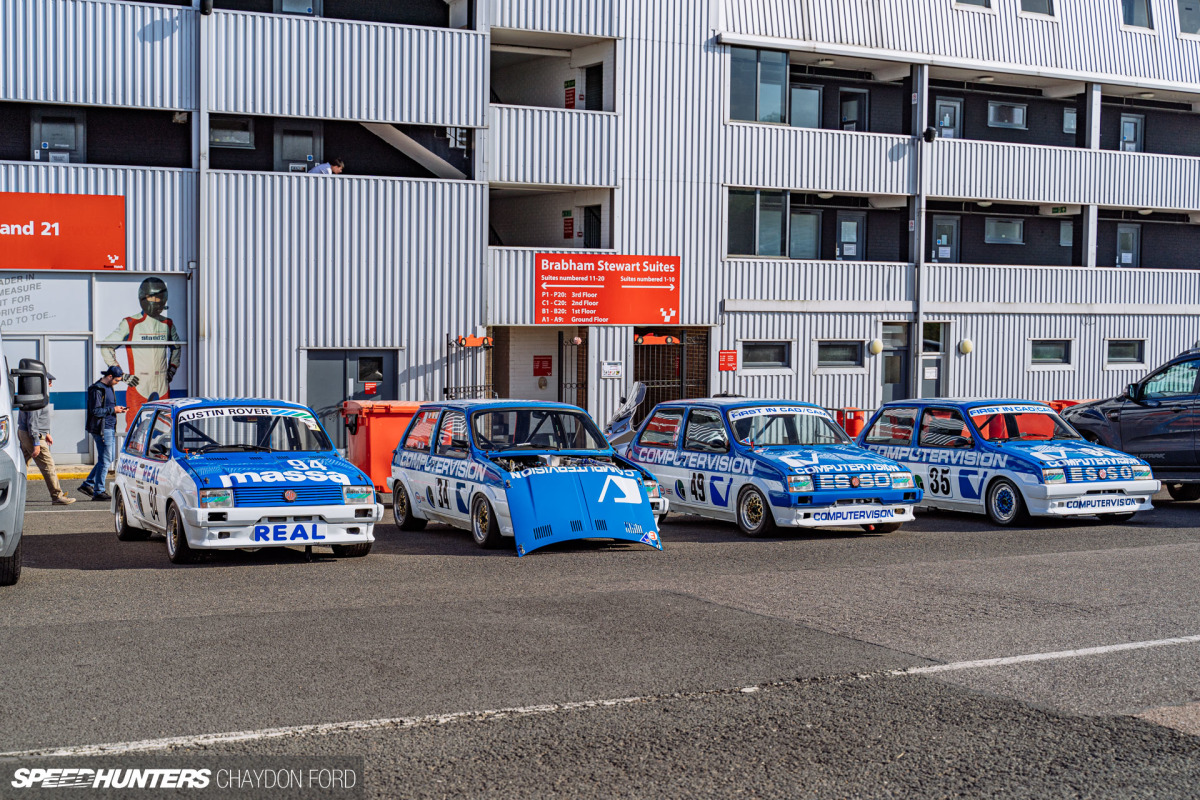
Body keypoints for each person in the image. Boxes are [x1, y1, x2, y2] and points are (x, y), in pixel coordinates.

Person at [101, 277, 181, 426]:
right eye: (151, 297)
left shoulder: (167, 323)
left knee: (166, 426)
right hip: (138, 384)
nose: (155, 301)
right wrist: (122, 375)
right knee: (133, 426)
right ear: (143, 297)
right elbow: (106, 346)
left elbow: (177, 347)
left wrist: (172, 370)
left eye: (158, 297)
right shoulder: (131, 323)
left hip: (161, 384)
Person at [17, 366, 76, 505]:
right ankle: (57, 496)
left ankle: (13, 493)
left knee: (20, 466)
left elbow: (36, 420)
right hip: (32, 435)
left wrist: (46, 433)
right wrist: (36, 442)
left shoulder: (32, 393)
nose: (50, 384)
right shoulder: (37, 397)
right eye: (48, 381)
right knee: (48, 465)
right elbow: (32, 421)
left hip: (27, 433)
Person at [81, 365, 126, 502]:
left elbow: (107, 408)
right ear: (110, 376)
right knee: (106, 459)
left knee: (108, 458)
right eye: (116, 380)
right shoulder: (97, 389)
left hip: (109, 428)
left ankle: (88, 484)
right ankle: (98, 491)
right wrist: (113, 410)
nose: (117, 383)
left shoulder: (108, 387)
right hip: (102, 429)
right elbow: (95, 411)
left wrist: (117, 410)